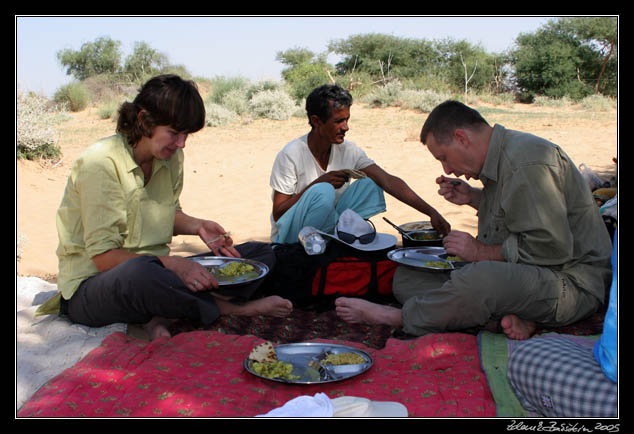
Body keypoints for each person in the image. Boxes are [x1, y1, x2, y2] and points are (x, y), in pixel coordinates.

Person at [37, 74, 292, 340]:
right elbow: (104, 259)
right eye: (174, 133)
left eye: (186, 135)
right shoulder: (101, 163)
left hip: (157, 272)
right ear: (144, 120)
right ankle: (232, 309)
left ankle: (159, 315)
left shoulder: (171, 157)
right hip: (96, 287)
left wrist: (198, 226)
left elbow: (165, 214)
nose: (181, 143)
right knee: (143, 275)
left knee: (259, 254)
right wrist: (175, 267)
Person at [335, 100, 612, 340]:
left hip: (570, 282)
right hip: (527, 275)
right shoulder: (500, 158)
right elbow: (516, 213)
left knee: (479, 279)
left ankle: (398, 317)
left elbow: (550, 248)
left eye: (444, 158)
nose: (447, 169)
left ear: (462, 138)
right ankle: (507, 316)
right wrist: (473, 197)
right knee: (408, 278)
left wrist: (480, 252)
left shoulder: (526, 162)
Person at [269, 84, 450, 244]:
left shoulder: (349, 150)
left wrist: (431, 212)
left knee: (371, 183)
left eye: (347, 120)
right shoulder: (291, 154)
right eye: (338, 121)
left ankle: (337, 238)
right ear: (316, 121)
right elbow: (279, 213)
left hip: (327, 228)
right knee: (322, 191)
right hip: (291, 238)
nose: (346, 127)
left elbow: (387, 180)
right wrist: (318, 184)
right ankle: (314, 246)